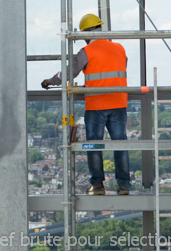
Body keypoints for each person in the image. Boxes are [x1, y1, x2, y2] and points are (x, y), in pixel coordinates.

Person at [41, 13, 130, 196]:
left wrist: (49, 81)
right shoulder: (119, 48)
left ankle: (97, 186)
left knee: (94, 146)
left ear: (86, 34)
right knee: (120, 144)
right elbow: (118, 68)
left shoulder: (87, 51)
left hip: (96, 105)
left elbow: (68, 73)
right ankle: (124, 186)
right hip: (118, 103)